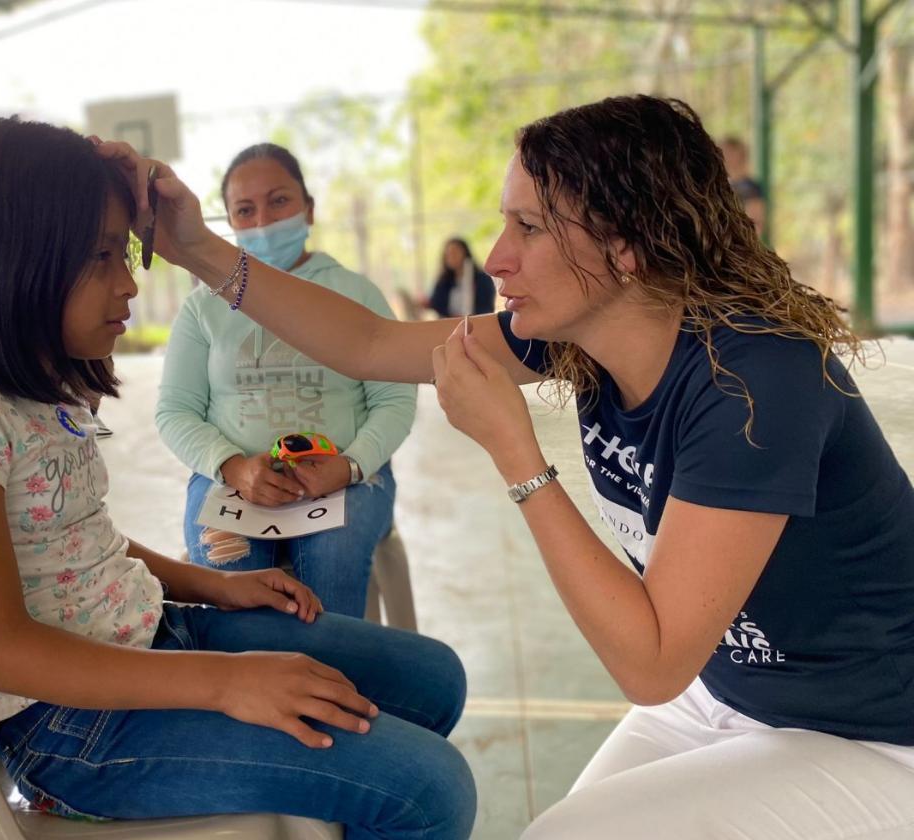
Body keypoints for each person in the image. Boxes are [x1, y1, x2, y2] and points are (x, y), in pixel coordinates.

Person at [106, 94, 914, 839]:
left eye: (529, 228)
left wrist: (516, 455)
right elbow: (368, 344)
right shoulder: (579, 330)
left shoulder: (754, 380)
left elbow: (651, 661)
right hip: (727, 691)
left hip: (873, 731)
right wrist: (199, 250)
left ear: (627, 247)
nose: (496, 257)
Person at [0, 116, 475, 839]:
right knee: (429, 790)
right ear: (9, 256)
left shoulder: (29, 386)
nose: (128, 282)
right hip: (70, 730)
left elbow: (77, 545)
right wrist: (225, 682)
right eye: (98, 257)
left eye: (123, 251)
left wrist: (214, 584)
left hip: (152, 636)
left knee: (434, 679)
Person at [155, 142, 416, 618]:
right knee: (225, 561)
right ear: (229, 223)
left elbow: (395, 399)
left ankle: (338, 687)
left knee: (332, 556)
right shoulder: (203, 306)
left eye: (279, 202)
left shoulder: (356, 294)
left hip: (349, 478)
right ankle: (249, 688)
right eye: (245, 210)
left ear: (309, 209)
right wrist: (233, 467)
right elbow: (175, 410)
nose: (263, 223)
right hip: (230, 479)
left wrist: (350, 466)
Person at [422, 237, 496, 318]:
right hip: (448, 323)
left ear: (465, 253)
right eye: (448, 254)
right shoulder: (444, 280)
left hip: (476, 324)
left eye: (454, 253)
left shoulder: (482, 279)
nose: (451, 257)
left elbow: (487, 307)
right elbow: (437, 303)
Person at [719, 136, 767, 238]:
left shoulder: (750, 188)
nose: (727, 157)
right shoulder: (719, 185)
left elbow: (756, 223)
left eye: (730, 153)